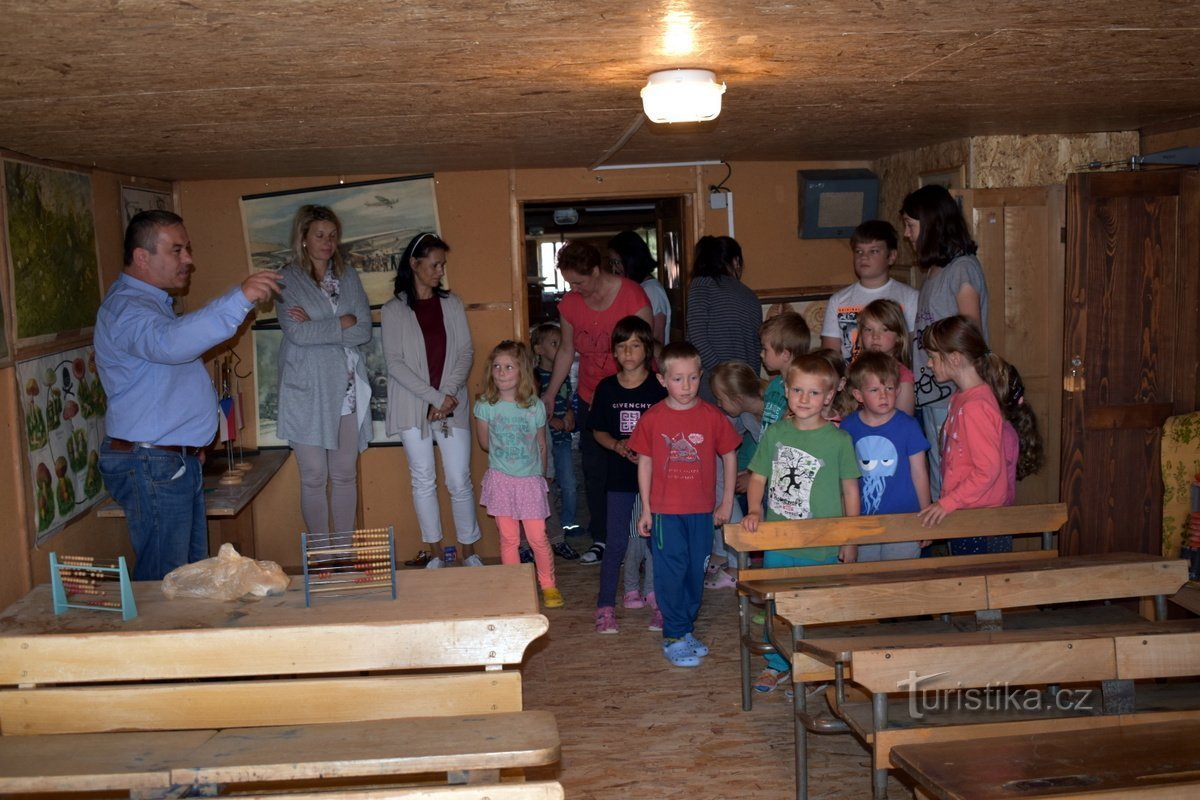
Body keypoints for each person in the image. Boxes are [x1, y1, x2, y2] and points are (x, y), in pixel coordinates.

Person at [96, 210, 281, 581]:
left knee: (188, 578)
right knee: (167, 582)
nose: (189, 260)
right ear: (142, 257)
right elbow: (171, 343)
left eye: (188, 249)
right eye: (177, 250)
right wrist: (239, 298)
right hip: (154, 463)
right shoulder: (128, 309)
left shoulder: (149, 304)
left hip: (170, 462)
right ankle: (157, 640)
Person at [741, 353, 861, 692]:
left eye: (812, 393)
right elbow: (758, 476)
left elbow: (851, 493)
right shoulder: (777, 432)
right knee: (777, 608)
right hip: (780, 540)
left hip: (823, 543)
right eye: (797, 391)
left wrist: (850, 539)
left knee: (816, 609)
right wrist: (753, 510)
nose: (804, 399)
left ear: (829, 397)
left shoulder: (839, 441)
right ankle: (776, 664)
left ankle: (815, 667)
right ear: (787, 391)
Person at [629, 342, 741, 668]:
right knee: (671, 572)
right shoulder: (653, 419)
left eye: (692, 378)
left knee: (696, 571)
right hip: (665, 513)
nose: (686, 386)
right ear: (663, 379)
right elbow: (645, 463)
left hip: (702, 512)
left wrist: (725, 502)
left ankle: (684, 627)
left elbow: (730, 455)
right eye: (678, 379)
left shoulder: (711, 415)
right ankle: (674, 634)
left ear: (700, 376)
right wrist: (647, 510)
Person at [541, 242, 652, 565]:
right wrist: (550, 394)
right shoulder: (571, 305)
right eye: (569, 284)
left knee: (634, 467)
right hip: (593, 396)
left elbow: (647, 347)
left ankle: (641, 539)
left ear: (595, 271)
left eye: (579, 282)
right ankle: (603, 538)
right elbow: (565, 351)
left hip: (631, 396)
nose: (575, 289)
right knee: (594, 471)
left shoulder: (632, 295)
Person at [382, 232, 482, 568]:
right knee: (423, 478)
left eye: (443, 264)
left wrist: (447, 396)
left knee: (458, 479)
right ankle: (437, 553)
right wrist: (435, 398)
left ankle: (469, 552)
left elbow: (466, 351)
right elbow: (394, 362)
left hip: (451, 405)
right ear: (414, 263)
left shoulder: (451, 303)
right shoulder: (393, 310)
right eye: (434, 264)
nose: (440, 271)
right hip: (414, 405)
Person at [275, 205, 373, 540]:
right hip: (307, 391)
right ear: (303, 238)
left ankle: (343, 552)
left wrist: (319, 326)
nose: (328, 242)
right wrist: (340, 323)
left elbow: (364, 331)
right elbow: (296, 334)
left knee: (345, 474)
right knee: (314, 476)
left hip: (346, 390)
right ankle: (320, 556)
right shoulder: (286, 279)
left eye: (332, 236)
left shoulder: (348, 276)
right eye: (320, 235)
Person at [916, 316, 1038, 556]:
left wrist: (947, 503)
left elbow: (988, 470)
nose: (929, 365)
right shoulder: (962, 399)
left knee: (979, 587)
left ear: (954, 358)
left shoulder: (976, 406)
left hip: (982, 519)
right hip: (968, 512)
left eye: (932, 357)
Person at [901, 185, 990, 499]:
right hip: (932, 394)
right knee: (940, 473)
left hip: (951, 394)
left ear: (932, 224)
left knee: (951, 476)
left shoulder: (962, 268)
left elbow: (970, 333)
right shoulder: (934, 272)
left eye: (911, 226)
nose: (907, 234)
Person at [588, 316, 667, 634]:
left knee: (657, 543)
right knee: (616, 542)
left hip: (657, 480)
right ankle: (605, 606)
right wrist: (618, 446)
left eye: (635, 345)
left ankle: (662, 604)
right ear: (615, 353)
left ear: (647, 349)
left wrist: (651, 453)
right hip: (620, 479)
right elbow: (598, 430)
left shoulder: (660, 386)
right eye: (622, 346)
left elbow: (669, 429)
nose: (629, 352)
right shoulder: (606, 388)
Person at [474, 340, 563, 608]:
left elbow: (541, 444)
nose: (501, 372)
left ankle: (548, 586)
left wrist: (542, 475)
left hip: (529, 481)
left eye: (508, 367)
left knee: (537, 537)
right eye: (497, 367)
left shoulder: (534, 406)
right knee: (509, 539)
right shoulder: (485, 406)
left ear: (521, 371)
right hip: (501, 480)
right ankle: (513, 586)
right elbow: (485, 443)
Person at [841, 352, 931, 561]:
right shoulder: (848, 427)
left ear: (898, 390)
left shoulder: (908, 426)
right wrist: (846, 530)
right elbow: (844, 480)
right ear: (858, 395)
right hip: (862, 523)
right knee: (865, 580)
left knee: (901, 579)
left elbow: (920, 473)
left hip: (905, 520)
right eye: (874, 390)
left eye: (889, 388)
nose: (883, 395)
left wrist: (925, 515)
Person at [820, 220, 918, 361]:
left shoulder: (910, 297)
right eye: (859, 251)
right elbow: (830, 356)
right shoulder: (838, 300)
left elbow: (912, 351)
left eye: (874, 251)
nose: (864, 257)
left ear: (891, 257)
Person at [707, 360, 766, 586]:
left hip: (782, 470)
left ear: (738, 399)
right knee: (717, 467)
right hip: (761, 467)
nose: (719, 405)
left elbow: (782, 449)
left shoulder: (772, 409)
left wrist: (752, 475)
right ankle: (722, 549)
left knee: (726, 480)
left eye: (721, 400)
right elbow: (724, 435)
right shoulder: (744, 412)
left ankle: (738, 562)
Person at [686, 235, 762, 402]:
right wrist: (748, 381)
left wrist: (721, 372)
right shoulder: (750, 295)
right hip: (745, 385)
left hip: (714, 384)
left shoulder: (702, 284)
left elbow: (697, 335)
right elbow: (757, 347)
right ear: (735, 261)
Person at [530, 322, 581, 554]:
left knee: (569, 483)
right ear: (538, 349)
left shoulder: (562, 374)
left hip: (563, 441)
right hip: (545, 441)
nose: (560, 347)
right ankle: (549, 528)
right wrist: (553, 422)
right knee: (548, 484)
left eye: (562, 343)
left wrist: (569, 413)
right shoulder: (534, 378)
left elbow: (568, 397)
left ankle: (567, 524)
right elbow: (533, 410)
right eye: (554, 343)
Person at [856, 298, 917, 415]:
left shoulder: (902, 376)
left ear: (898, 336)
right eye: (868, 329)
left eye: (884, 329)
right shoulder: (857, 370)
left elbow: (903, 423)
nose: (875, 336)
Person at [609, 230, 671, 345]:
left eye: (616, 262)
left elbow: (657, 337)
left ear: (631, 259)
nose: (614, 269)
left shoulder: (652, 290)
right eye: (611, 263)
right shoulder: (637, 288)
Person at [760, 311, 812, 427]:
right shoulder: (774, 384)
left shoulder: (801, 392)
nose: (761, 354)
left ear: (785, 354)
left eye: (765, 349)